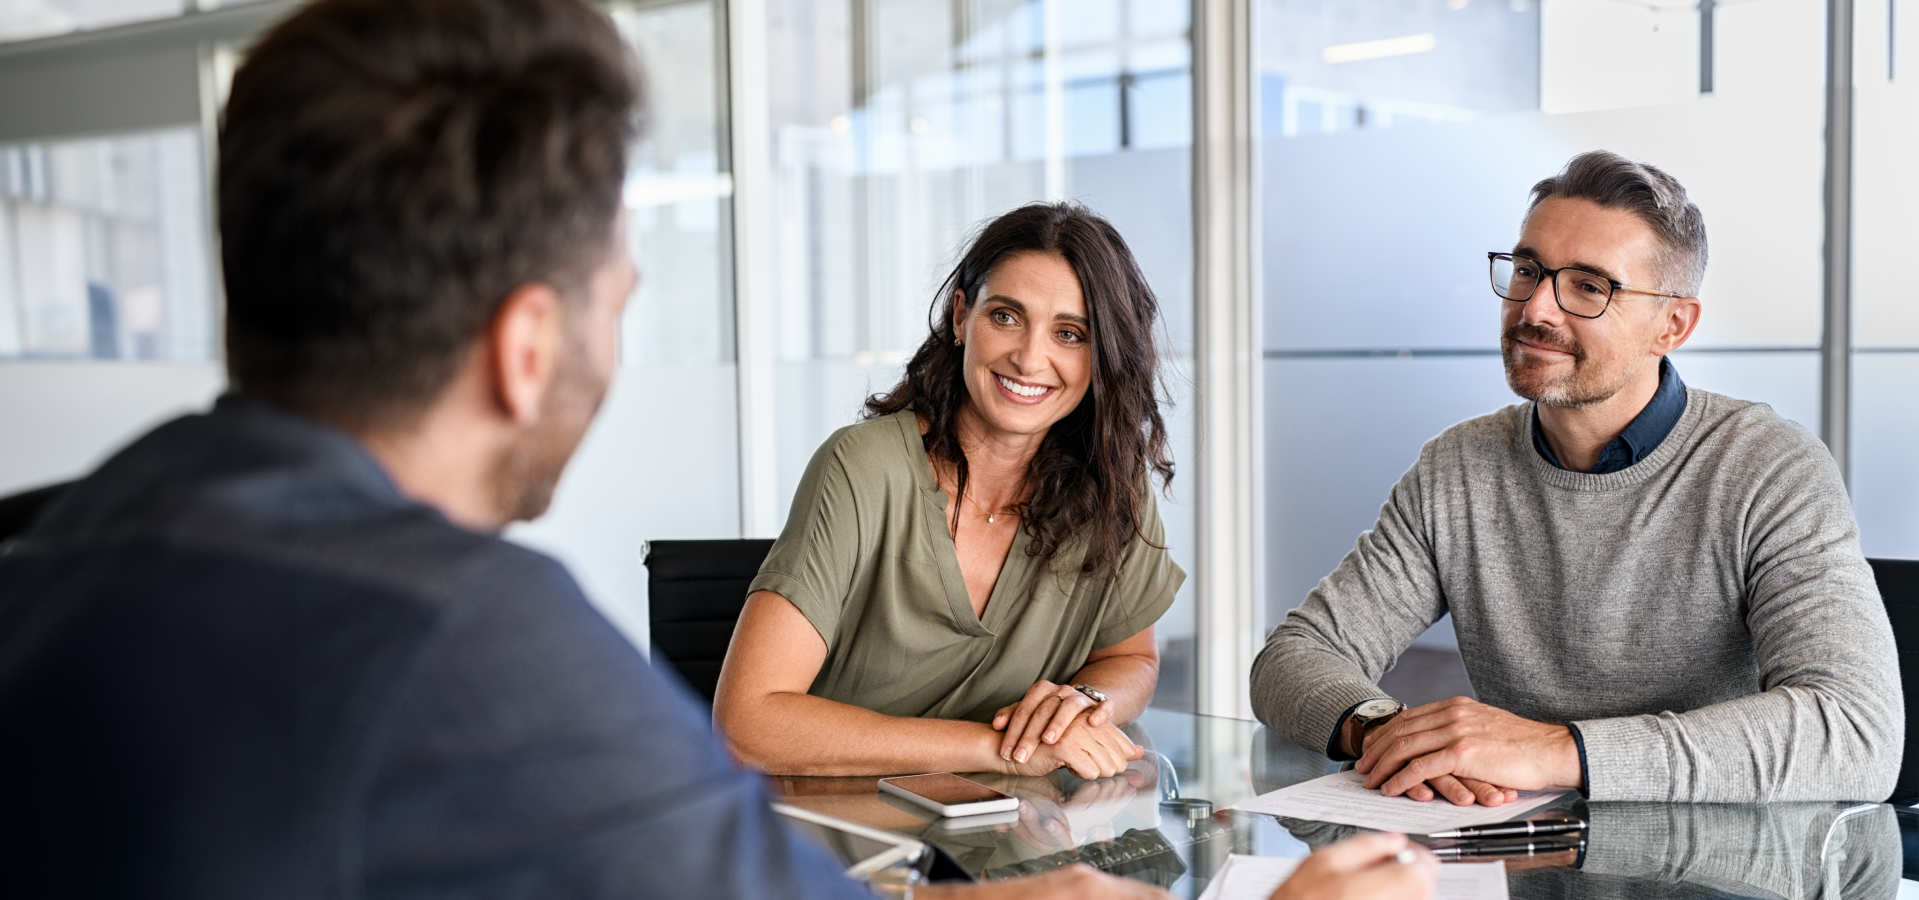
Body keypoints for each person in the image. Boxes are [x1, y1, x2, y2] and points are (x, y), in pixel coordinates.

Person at [0, 0, 1436, 897]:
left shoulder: (51, 543)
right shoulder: (473, 651)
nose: (1030, 357)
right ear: (524, 347)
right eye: (620, 298)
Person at [1250, 149, 1903, 806]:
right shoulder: (1457, 468)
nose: (1536, 310)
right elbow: (1295, 656)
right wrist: (1386, 732)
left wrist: (1556, 749)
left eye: (1589, 286)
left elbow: (1854, 733)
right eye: (1528, 270)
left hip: (1718, 870)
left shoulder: (1767, 468)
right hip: (1518, 851)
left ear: (1671, 325)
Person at [714, 203, 1183, 781]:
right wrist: (998, 751)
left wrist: (1083, 702)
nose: (1030, 358)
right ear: (961, 316)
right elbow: (747, 725)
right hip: (835, 839)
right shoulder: (863, 468)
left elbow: (1129, 657)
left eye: (1069, 334)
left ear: (1103, 354)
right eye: (1006, 317)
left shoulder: (1114, 483)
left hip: (1009, 843)